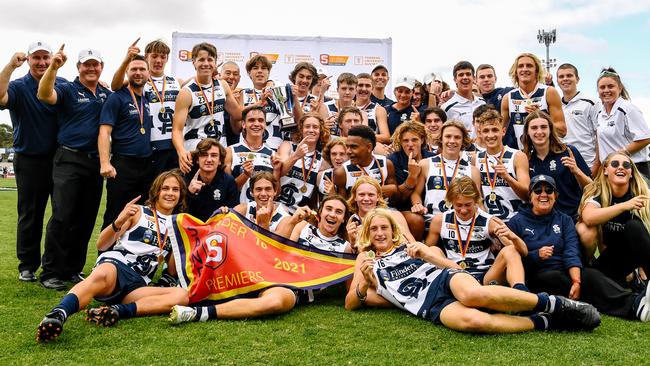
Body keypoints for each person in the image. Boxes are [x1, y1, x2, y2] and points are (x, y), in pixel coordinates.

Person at [344, 208, 600, 333]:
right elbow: (350, 304)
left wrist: (426, 253)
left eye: (384, 228)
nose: (379, 233)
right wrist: (366, 283)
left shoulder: (411, 246)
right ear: (367, 233)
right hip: (427, 305)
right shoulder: (366, 260)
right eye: (374, 229)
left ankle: (555, 304)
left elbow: (452, 267)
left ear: (392, 230)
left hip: (444, 279)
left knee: (472, 296)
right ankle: (543, 322)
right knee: (473, 322)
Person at [36, 170, 189, 342]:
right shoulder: (138, 212)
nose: (170, 193)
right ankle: (58, 314)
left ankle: (115, 310)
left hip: (137, 284)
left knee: (181, 295)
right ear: (156, 192)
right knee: (102, 274)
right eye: (165, 188)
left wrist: (181, 243)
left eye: (175, 190)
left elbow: (174, 269)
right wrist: (120, 220)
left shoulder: (177, 225)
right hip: (116, 268)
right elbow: (102, 244)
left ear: (181, 195)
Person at [509, 174, 650, 321]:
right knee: (557, 279)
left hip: (564, 271)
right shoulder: (516, 222)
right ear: (530, 196)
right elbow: (513, 260)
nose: (543, 194)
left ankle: (635, 304)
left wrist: (576, 281)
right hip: (537, 275)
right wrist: (536, 255)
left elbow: (571, 250)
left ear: (556, 196)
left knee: (590, 276)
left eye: (549, 190)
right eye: (537, 190)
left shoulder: (564, 220)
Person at [37, 45, 111, 289]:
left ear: (101, 67)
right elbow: (44, 94)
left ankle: (72, 269)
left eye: (95, 64)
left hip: (94, 163)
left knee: (86, 218)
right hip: (69, 159)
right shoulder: (68, 88)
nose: (91, 68)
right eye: (86, 64)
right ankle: (50, 272)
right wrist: (53, 68)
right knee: (62, 215)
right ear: (78, 67)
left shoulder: (105, 93)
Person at [0, 41, 63, 283]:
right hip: (30, 160)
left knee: (62, 214)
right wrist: (9, 66)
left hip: (60, 160)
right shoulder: (17, 86)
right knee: (30, 215)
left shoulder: (62, 84)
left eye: (45, 57)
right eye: (36, 58)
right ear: (28, 60)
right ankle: (27, 265)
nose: (42, 62)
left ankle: (59, 264)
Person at [425, 176, 528, 288]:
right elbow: (425, 254)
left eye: (468, 205)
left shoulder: (490, 221)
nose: (463, 210)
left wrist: (512, 236)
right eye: (458, 205)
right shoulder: (440, 220)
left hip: (485, 276)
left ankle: (520, 290)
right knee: (432, 250)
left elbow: (523, 252)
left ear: (476, 200)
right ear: (450, 201)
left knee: (510, 250)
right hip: (455, 275)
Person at [98, 55, 155, 231]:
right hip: (123, 166)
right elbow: (104, 131)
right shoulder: (117, 97)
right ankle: (105, 257)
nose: (138, 73)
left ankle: (133, 257)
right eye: (134, 69)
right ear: (127, 73)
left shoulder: (146, 99)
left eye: (142, 69)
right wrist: (105, 162)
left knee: (141, 216)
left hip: (146, 166)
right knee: (115, 215)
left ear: (148, 73)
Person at [577, 153, 650, 287]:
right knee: (584, 229)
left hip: (633, 255)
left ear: (631, 173)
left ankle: (643, 278)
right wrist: (624, 206)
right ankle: (592, 266)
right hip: (610, 256)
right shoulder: (598, 192)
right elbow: (588, 217)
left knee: (634, 226)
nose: (621, 167)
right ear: (605, 170)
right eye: (615, 164)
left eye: (626, 165)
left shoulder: (641, 195)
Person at [111, 39, 182, 175]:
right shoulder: (139, 81)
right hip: (151, 148)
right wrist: (126, 60)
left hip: (174, 146)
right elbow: (115, 86)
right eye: (154, 56)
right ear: (146, 57)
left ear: (167, 59)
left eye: (163, 57)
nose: (158, 60)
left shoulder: (177, 82)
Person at [172, 42, 242, 173]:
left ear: (216, 63)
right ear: (194, 62)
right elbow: (177, 130)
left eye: (210, 60)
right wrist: (181, 152)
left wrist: (257, 104)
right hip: (196, 152)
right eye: (201, 60)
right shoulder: (186, 92)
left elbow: (237, 114)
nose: (206, 63)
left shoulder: (223, 85)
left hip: (219, 152)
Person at [523, 110, 591, 220]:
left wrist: (576, 171)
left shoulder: (568, 151)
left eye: (544, 127)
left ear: (550, 130)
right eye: (534, 128)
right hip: (539, 218)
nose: (539, 131)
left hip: (571, 215)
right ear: (527, 132)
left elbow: (592, 187)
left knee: (587, 233)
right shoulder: (524, 158)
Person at [411, 120, 481, 227]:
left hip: (461, 224)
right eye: (448, 136)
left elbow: (478, 201)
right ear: (441, 138)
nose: (452, 141)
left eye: (457, 137)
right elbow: (416, 193)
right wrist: (417, 204)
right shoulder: (425, 164)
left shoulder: (473, 170)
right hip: (431, 221)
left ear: (463, 141)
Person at [501, 53, 566, 150]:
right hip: (524, 156)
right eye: (520, 66)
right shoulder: (508, 98)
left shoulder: (549, 92)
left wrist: (541, 116)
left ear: (537, 71)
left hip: (549, 154)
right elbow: (499, 131)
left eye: (529, 66)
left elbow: (562, 131)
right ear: (516, 72)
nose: (525, 69)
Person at [475, 109, 529, 222]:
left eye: (495, 130)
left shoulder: (517, 156)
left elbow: (527, 195)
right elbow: (477, 196)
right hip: (489, 221)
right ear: (480, 133)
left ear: (503, 131)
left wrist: (507, 178)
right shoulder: (476, 158)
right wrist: (487, 220)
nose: (490, 135)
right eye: (486, 131)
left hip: (516, 220)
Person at [595, 68, 650, 177]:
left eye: (610, 86)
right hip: (611, 170)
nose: (606, 90)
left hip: (634, 168)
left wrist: (619, 154)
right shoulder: (600, 113)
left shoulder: (628, 108)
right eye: (602, 87)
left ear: (620, 88)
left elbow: (645, 138)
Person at [387, 120, 434, 240]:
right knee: (416, 220)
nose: (410, 144)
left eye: (414, 140)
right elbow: (397, 199)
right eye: (405, 141)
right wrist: (412, 177)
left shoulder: (432, 158)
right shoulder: (393, 160)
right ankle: (415, 252)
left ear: (422, 140)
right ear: (400, 142)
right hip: (402, 209)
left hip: (429, 206)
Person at [224, 105, 278, 203]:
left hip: (262, 213)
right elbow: (226, 190)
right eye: (251, 120)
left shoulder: (273, 155)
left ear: (265, 124)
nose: (256, 124)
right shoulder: (230, 151)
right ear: (244, 124)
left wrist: (277, 171)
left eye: (261, 120)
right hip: (238, 213)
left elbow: (276, 193)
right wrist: (245, 175)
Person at [276, 113, 328, 213]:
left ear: (320, 131)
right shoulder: (288, 146)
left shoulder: (323, 160)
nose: (311, 130)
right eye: (307, 127)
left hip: (298, 213)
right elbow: (279, 171)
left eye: (315, 127)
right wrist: (296, 156)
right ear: (301, 130)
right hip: (277, 205)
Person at [333, 125, 401, 200]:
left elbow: (396, 198)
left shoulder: (386, 164)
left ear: (369, 147)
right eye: (347, 147)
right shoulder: (341, 172)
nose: (348, 151)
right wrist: (378, 191)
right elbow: (343, 205)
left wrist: (393, 190)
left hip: (384, 210)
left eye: (354, 147)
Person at [345, 176, 416, 248]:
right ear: (355, 197)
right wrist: (353, 242)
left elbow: (412, 244)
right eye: (361, 194)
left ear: (378, 196)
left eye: (371, 195)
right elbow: (352, 254)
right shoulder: (351, 222)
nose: (366, 199)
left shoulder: (394, 215)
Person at [556, 64, 599, 176]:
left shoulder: (591, 103)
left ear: (577, 79)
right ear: (557, 81)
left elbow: (599, 135)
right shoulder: (555, 106)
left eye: (569, 75)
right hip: (563, 163)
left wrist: (597, 164)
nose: (565, 79)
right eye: (561, 76)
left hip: (587, 162)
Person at [276, 195, 352, 253]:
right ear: (320, 212)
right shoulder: (302, 227)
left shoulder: (345, 247)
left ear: (343, 219)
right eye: (328, 209)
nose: (332, 215)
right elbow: (279, 249)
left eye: (338, 212)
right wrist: (292, 222)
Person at [185, 138, 238, 221]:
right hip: (190, 228)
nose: (209, 160)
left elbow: (235, 213)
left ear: (220, 160)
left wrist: (227, 211)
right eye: (204, 155)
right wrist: (189, 193)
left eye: (213, 155)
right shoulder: (186, 178)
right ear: (197, 160)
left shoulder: (228, 181)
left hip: (217, 229)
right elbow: (177, 212)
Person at [441, 61, 486, 138]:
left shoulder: (482, 103)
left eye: (468, 74)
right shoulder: (447, 107)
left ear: (474, 78)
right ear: (455, 79)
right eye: (461, 75)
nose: (465, 77)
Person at [355, 72, 390, 144]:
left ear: (372, 88)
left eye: (367, 86)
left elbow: (386, 137)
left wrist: (361, 136)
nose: (364, 89)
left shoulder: (379, 109)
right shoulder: (348, 108)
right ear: (355, 87)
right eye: (360, 85)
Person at [220, 61, 244, 145]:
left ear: (239, 78)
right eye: (228, 73)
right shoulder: (211, 95)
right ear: (220, 75)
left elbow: (237, 130)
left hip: (232, 149)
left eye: (235, 74)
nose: (231, 77)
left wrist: (237, 104)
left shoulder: (243, 95)